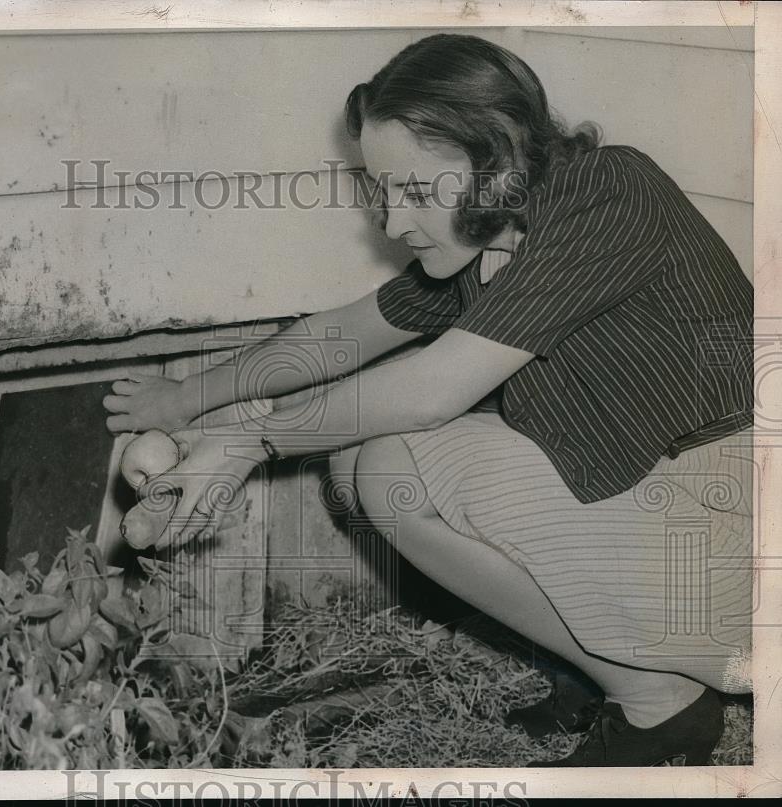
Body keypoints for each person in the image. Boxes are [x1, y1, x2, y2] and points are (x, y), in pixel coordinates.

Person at [102, 34, 753, 766]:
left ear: (495, 162)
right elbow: (340, 336)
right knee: (368, 460)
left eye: (414, 191)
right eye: (383, 193)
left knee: (388, 459)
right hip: (663, 511)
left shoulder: (606, 193)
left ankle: (659, 701)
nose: (391, 222)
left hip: (739, 540)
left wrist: (253, 440)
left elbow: (429, 389)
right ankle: (621, 668)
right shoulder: (492, 238)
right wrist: (187, 397)